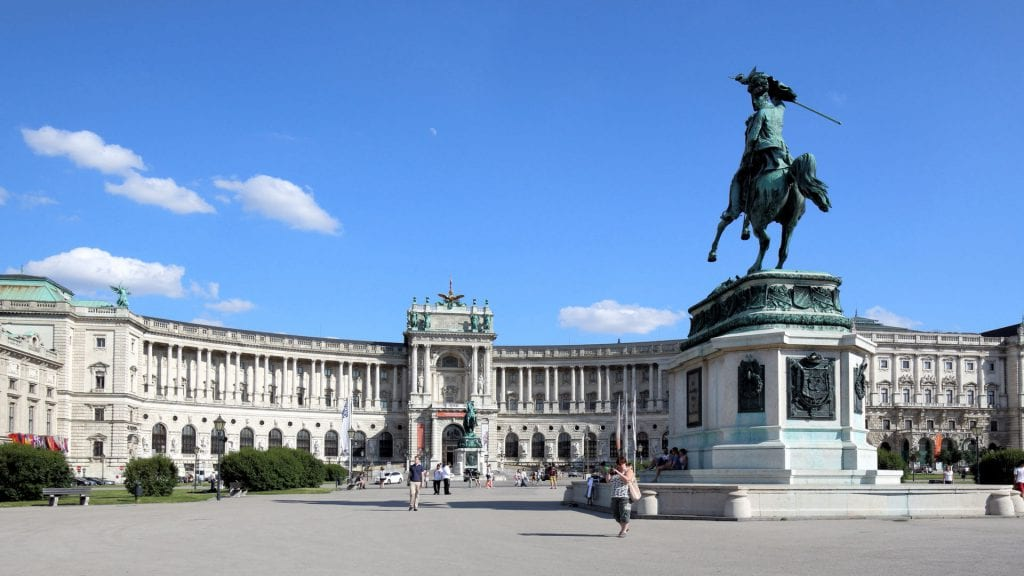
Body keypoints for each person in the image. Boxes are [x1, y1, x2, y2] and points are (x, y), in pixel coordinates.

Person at [606, 456, 635, 537]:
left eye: (622, 463)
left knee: (624, 514)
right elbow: (608, 481)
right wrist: (608, 472)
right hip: (614, 496)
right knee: (616, 515)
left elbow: (627, 480)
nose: (620, 465)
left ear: (625, 463)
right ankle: (625, 527)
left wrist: (618, 473)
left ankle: (623, 531)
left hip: (624, 496)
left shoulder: (629, 471)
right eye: (618, 463)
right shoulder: (616, 472)